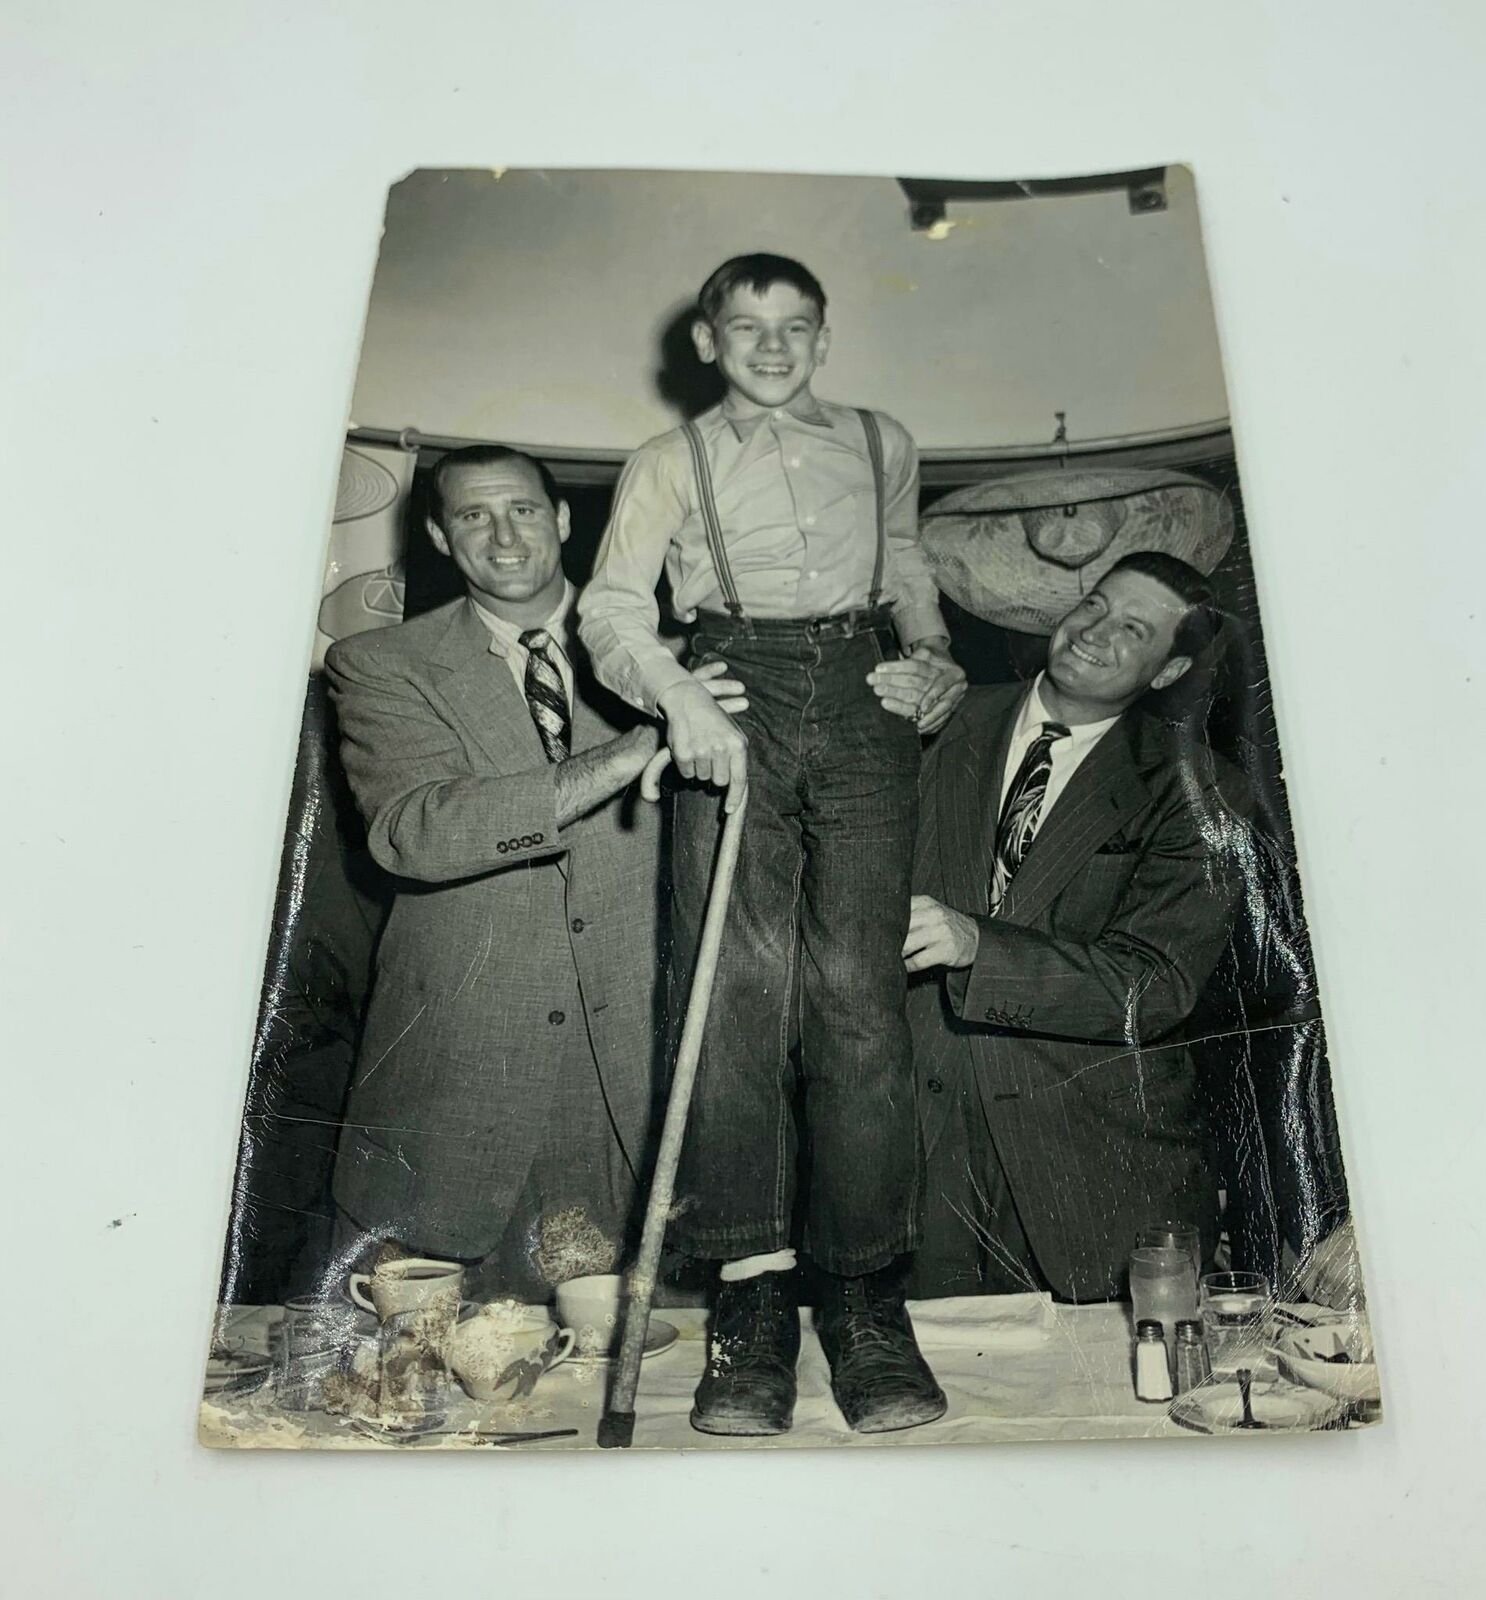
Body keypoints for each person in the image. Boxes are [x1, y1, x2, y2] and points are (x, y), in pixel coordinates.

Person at [578, 253, 965, 1436]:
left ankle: (862, 1299)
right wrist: (678, 701)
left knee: (858, 999)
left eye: (794, 325)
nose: (772, 345)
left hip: (862, 692)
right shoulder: (667, 459)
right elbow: (610, 609)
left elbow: (905, 562)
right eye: (746, 327)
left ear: (824, 335)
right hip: (731, 686)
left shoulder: (883, 440)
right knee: (732, 1002)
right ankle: (749, 1307)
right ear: (706, 342)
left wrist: (934, 656)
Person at [323, 445, 747, 1301]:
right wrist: (629, 752)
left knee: (657, 1356)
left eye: (521, 510)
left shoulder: (682, 661)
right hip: (462, 1088)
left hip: (645, 1085)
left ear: (561, 519)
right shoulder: (380, 663)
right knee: (424, 1361)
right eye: (473, 516)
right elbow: (416, 832)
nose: (504, 537)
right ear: (438, 537)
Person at [900, 551, 1252, 1303]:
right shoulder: (930, 724)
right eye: (1096, 605)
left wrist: (977, 945)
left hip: (1088, 1169)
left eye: (1133, 629)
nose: (1095, 632)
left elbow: (1154, 986)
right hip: (915, 1155)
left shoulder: (1201, 788)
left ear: (1166, 671)